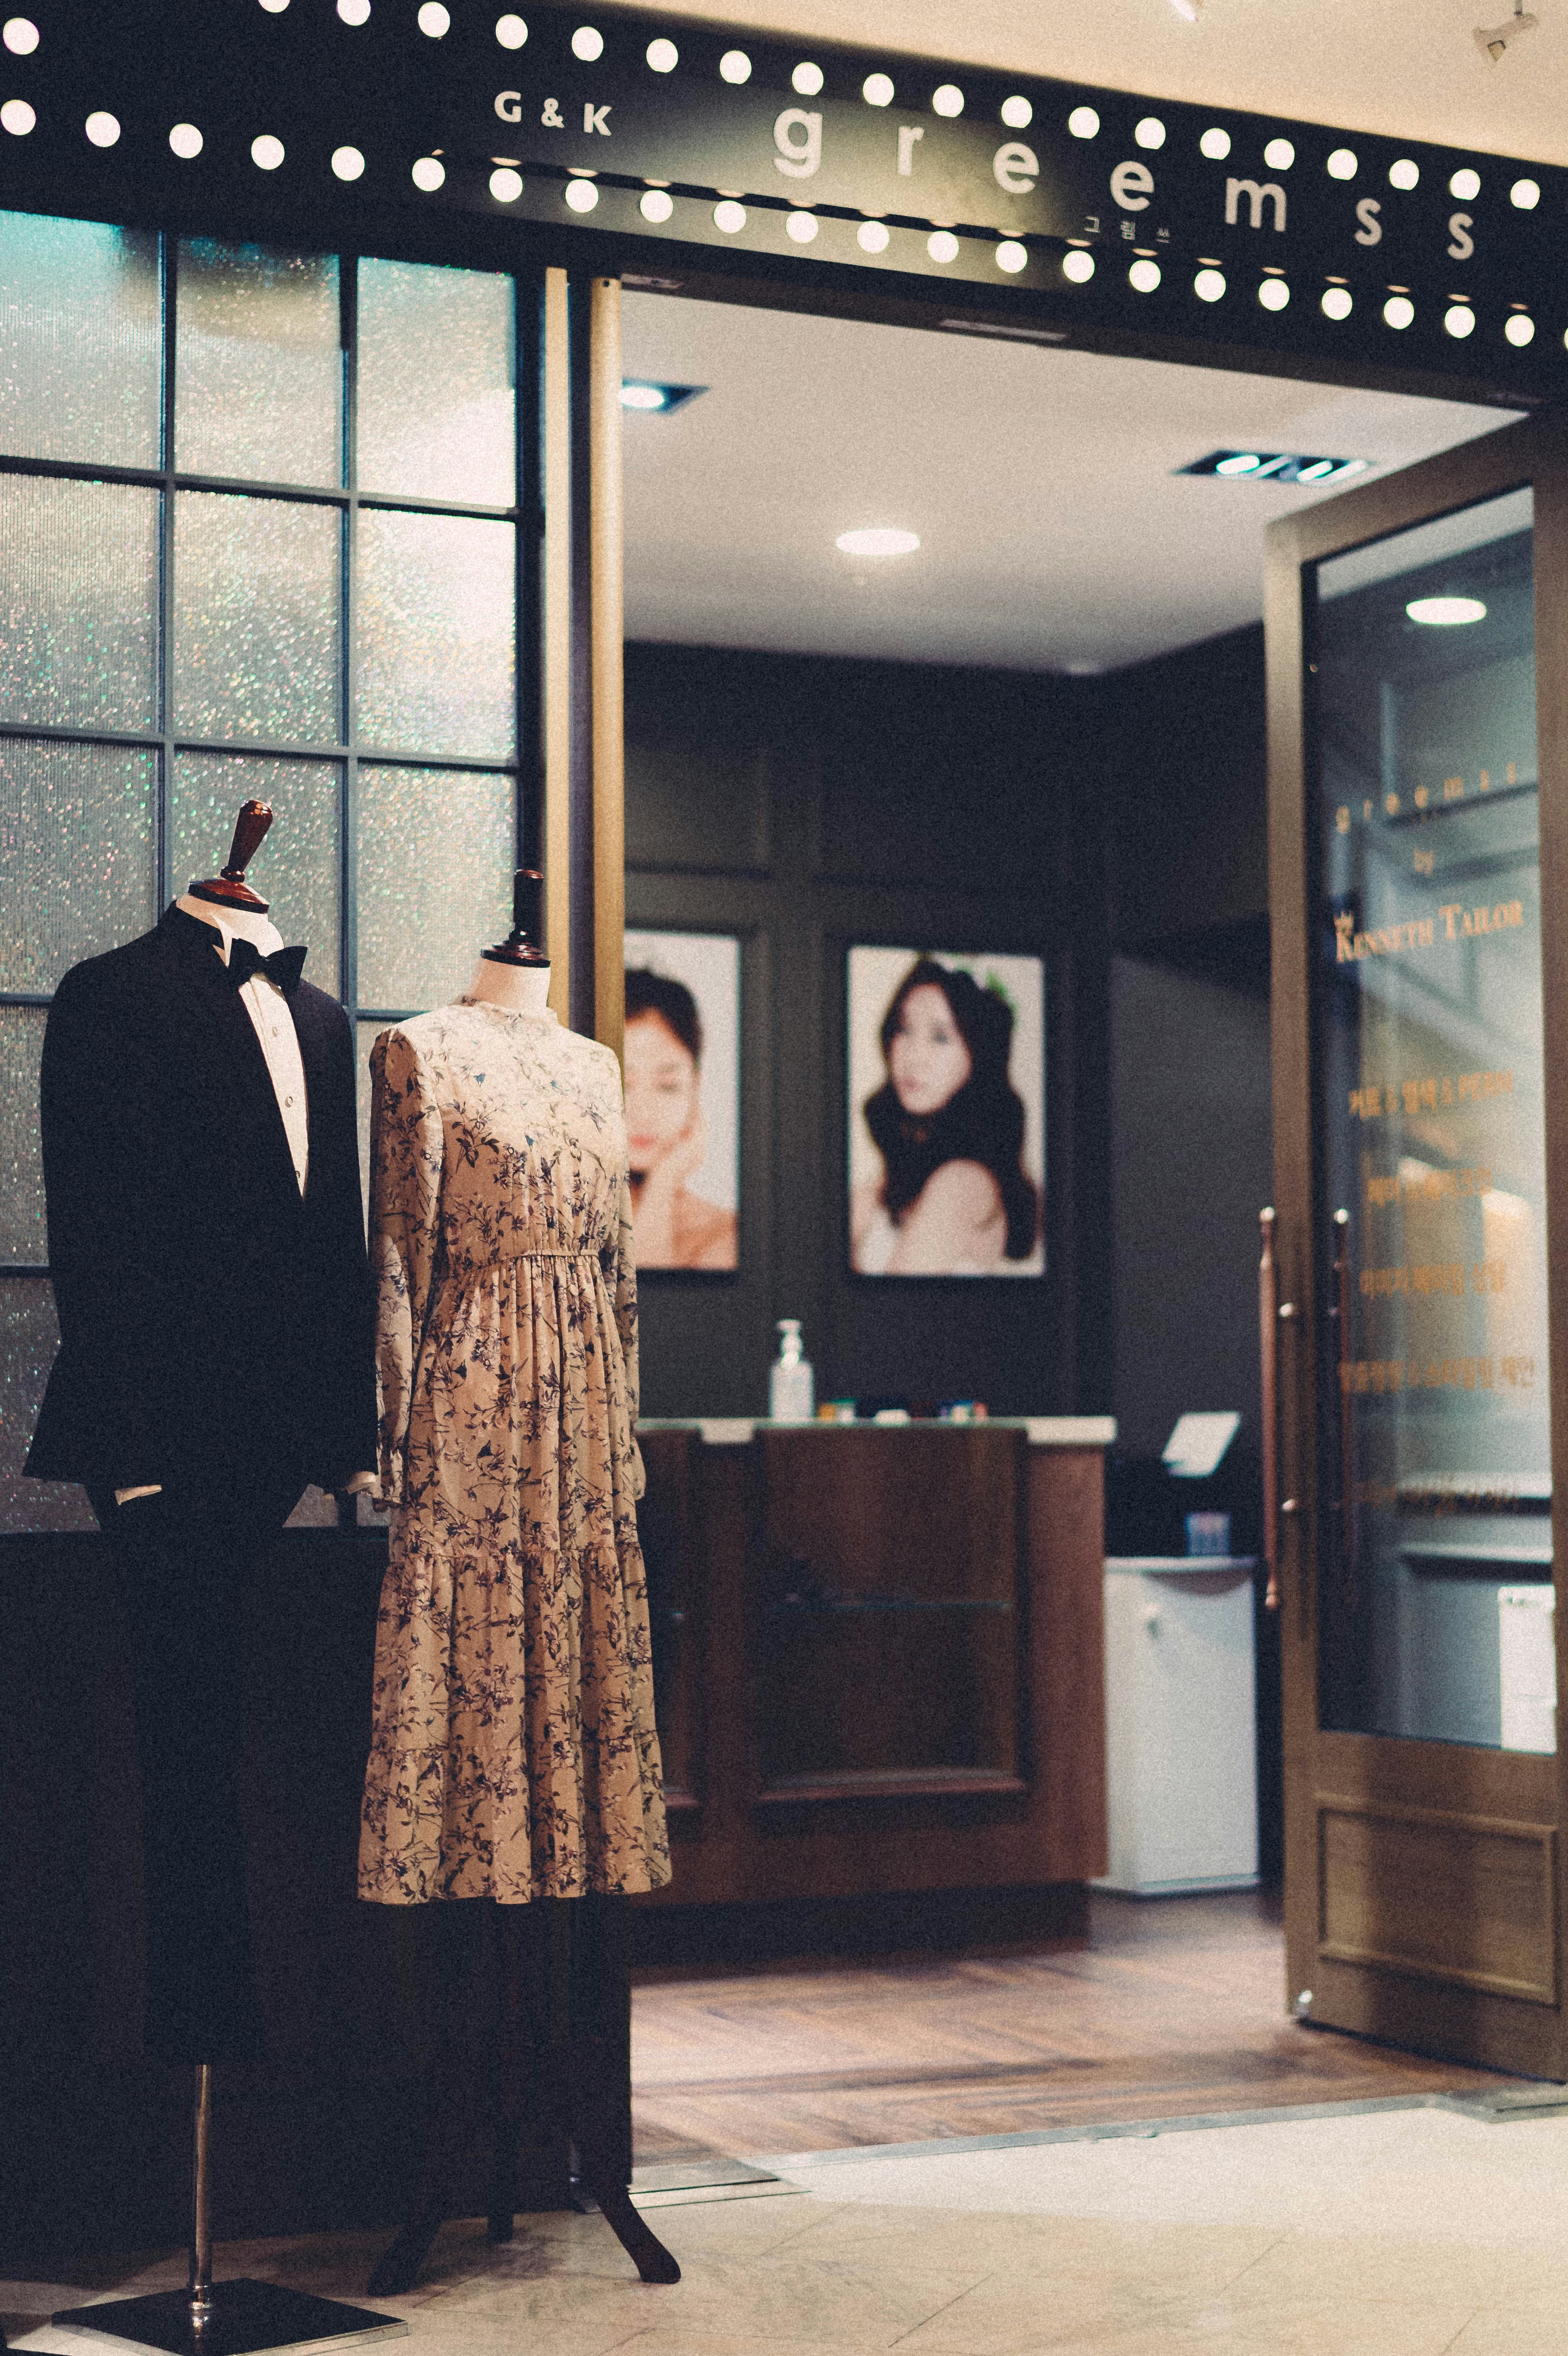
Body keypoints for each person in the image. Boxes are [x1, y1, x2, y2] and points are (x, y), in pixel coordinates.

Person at [852, 957, 1039, 1276]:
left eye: (940, 1037)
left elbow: (888, 1309)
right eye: (904, 1029)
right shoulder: (893, 1182)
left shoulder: (963, 1182)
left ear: (979, 1054)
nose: (913, 1055)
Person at [623, 967, 738, 1269]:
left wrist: (664, 1181)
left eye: (668, 1086)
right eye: (622, 1085)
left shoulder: (724, 1236)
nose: (644, 1113)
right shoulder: (548, 1224)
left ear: (695, 1088)